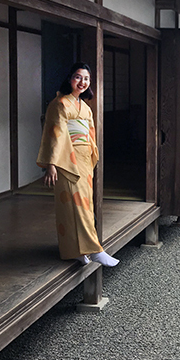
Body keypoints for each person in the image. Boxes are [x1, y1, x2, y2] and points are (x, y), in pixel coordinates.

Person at [37, 62, 119, 267]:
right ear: (69, 79)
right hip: (66, 159)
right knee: (76, 206)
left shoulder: (85, 107)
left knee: (82, 205)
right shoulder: (60, 104)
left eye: (86, 78)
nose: (82, 82)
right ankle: (95, 249)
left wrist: (92, 155)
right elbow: (55, 135)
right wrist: (51, 164)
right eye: (78, 77)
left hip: (83, 159)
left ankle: (74, 250)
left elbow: (90, 135)